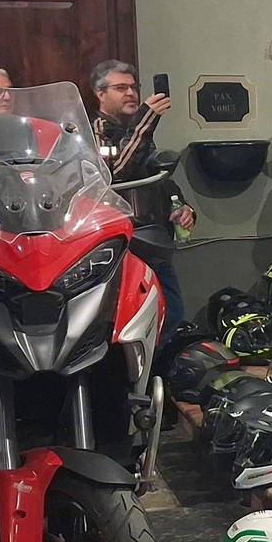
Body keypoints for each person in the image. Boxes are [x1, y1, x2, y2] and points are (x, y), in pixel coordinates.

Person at [89, 59, 194, 344]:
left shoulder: (136, 129)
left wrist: (181, 205)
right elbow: (115, 175)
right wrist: (145, 120)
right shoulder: (96, 130)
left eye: (133, 87)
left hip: (154, 238)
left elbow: (157, 175)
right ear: (100, 94)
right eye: (120, 88)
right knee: (133, 321)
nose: (131, 94)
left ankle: (157, 368)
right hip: (123, 243)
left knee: (171, 311)